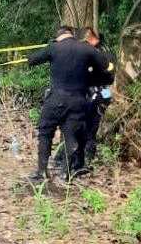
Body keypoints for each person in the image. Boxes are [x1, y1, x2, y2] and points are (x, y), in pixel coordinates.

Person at [27, 25, 112, 182]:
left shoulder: (54, 47)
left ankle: (42, 171)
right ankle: (66, 173)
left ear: (59, 37)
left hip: (56, 98)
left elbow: (32, 60)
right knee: (71, 136)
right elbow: (107, 67)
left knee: (45, 133)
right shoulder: (87, 49)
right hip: (78, 100)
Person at [53, 27, 115, 169]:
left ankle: (86, 157)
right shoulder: (90, 51)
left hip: (100, 94)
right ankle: (66, 157)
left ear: (89, 39)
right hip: (85, 94)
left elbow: (107, 74)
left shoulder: (102, 52)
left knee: (90, 127)